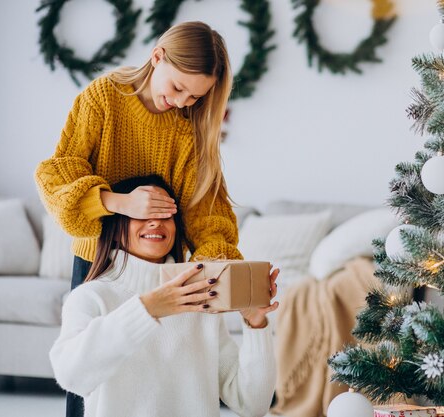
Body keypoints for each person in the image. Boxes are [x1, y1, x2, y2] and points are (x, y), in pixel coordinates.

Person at [34, 21, 241, 417]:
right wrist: (120, 203)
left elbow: (208, 214)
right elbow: (57, 173)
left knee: (157, 375)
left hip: (164, 269)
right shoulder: (104, 98)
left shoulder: (189, 130)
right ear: (156, 56)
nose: (182, 102)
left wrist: (215, 273)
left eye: (195, 97)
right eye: (178, 88)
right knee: (88, 377)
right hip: (100, 262)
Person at [50, 175, 279, 417]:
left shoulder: (200, 299)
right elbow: (71, 375)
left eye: (166, 213)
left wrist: (256, 324)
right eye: (142, 212)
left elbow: (253, 404)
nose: (155, 222)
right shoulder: (92, 296)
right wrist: (146, 309)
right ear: (115, 229)